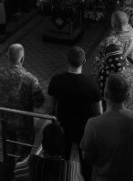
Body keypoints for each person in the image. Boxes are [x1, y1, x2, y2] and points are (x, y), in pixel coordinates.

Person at [80, 74, 133, 181]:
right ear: (127, 95)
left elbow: (86, 157)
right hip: (131, 176)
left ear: (105, 94)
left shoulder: (93, 124)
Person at [48, 46, 102, 179]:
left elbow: (51, 108)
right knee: (86, 163)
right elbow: (99, 113)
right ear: (84, 62)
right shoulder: (92, 84)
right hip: (84, 129)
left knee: (63, 159)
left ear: (67, 60)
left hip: (63, 127)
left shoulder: (56, 80)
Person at [0, 44, 45, 160]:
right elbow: (39, 102)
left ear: (7, 56)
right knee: (24, 155)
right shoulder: (31, 79)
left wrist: (5, 97)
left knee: (8, 153)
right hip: (24, 124)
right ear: (22, 58)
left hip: (6, 121)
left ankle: (7, 170)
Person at [93, 10, 133, 110]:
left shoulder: (107, 42)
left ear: (113, 24)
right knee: (128, 109)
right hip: (130, 81)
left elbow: (97, 65)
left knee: (111, 110)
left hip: (112, 83)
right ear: (127, 22)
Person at [14, 123, 84, 181]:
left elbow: (17, 171)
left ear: (42, 144)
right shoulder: (73, 169)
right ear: (62, 146)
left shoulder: (27, 164)